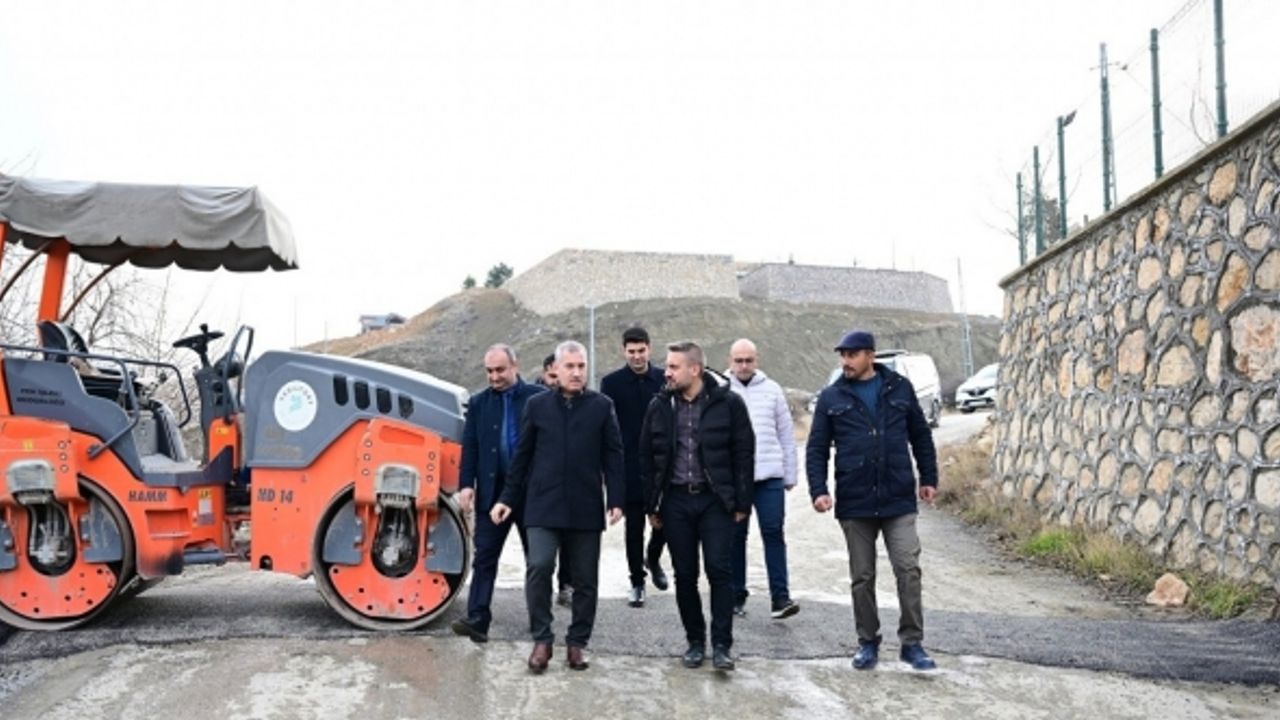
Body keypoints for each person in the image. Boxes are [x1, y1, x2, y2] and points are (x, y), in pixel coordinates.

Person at [805, 329, 940, 671]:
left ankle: (912, 643)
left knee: (908, 569)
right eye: (842, 355)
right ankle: (867, 642)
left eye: (852, 355)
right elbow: (817, 448)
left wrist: (929, 478)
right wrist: (818, 490)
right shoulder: (831, 397)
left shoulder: (900, 388)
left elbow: (920, 435)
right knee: (862, 576)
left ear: (870, 355)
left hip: (898, 497)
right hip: (855, 500)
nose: (845, 361)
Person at [491, 340, 625, 673]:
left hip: (585, 505)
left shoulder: (602, 406)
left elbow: (614, 455)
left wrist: (616, 499)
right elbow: (522, 457)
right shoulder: (537, 406)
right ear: (556, 369)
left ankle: (577, 643)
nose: (576, 373)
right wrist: (507, 498)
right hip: (543, 503)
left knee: (585, 579)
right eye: (570, 367)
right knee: (539, 566)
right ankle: (542, 638)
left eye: (581, 367)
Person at [641, 341, 754, 672]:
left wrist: (741, 501)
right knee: (685, 574)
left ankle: (721, 646)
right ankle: (694, 642)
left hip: (714, 501)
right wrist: (652, 504)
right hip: (675, 501)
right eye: (667, 366)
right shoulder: (660, 405)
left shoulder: (729, 403)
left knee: (719, 570)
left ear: (695, 370)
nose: (667, 373)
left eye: (674, 367)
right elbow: (646, 458)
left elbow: (744, 453)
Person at [451, 344, 545, 643]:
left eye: (500, 370)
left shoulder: (539, 398)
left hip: (531, 494)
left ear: (515, 366)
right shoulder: (478, 403)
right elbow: (471, 446)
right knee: (485, 557)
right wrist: (466, 485)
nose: (494, 377)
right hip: (492, 493)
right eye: (489, 371)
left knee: (537, 561)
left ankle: (540, 620)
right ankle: (478, 620)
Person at [725, 338, 800, 620]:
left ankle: (780, 597)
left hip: (769, 478)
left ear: (757, 360)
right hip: (735, 480)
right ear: (730, 361)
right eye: (739, 360)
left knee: (773, 533)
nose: (744, 366)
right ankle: (735, 596)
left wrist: (790, 474)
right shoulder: (720, 390)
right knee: (735, 537)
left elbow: (786, 435)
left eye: (749, 360)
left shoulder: (772, 390)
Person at [599, 326, 669, 608]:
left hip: (661, 465)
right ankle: (637, 582)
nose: (637, 356)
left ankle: (653, 558)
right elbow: (606, 429)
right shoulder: (611, 384)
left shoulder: (664, 379)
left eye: (641, 351)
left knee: (666, 522)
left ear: (649, 349)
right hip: (628, 465)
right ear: (624, 351)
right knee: (634, 528)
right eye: (631, 352)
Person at [536, 352, 574, 608]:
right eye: (551, 376)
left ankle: (565, 586)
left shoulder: (572, 401)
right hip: (541, 487)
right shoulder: (535, 402)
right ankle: (540, 591)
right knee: (541, 549)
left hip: (568, 487)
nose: (554, 381)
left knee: (568, 543)